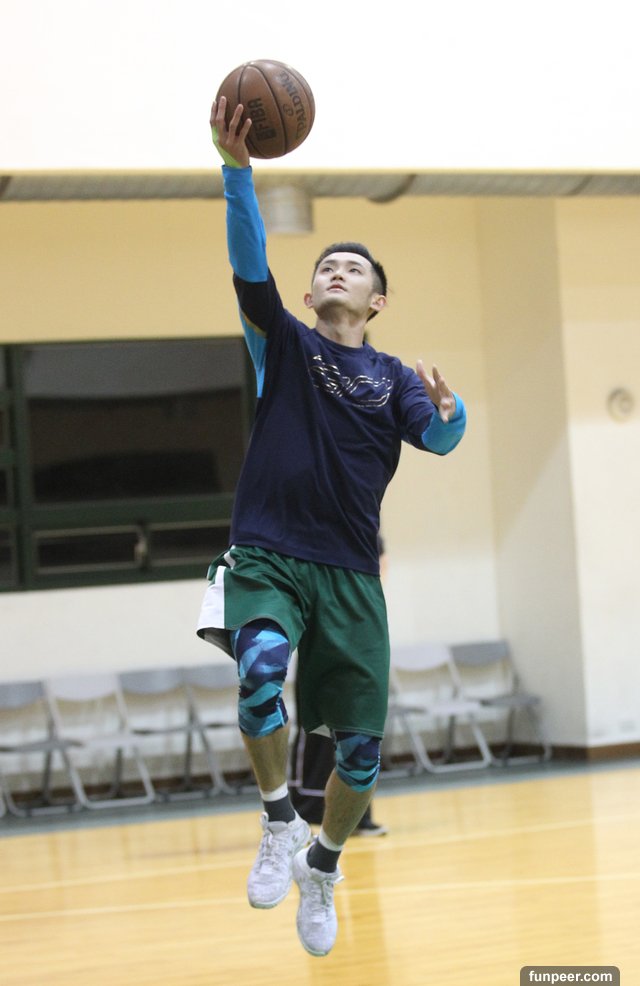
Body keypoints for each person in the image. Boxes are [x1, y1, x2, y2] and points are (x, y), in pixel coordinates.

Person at [197, 97, 467, 958]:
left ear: (378, 299)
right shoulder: (281, 343)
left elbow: (439, 440)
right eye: (326, 266)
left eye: (355, 267)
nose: (338, 272)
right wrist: (237, 171)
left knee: (359, 753)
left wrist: (453, 416)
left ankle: (323, 863)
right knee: (260, 673)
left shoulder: (394, 377)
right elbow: (248, 260)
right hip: (270, 552)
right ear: (310, 292)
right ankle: (277, 817)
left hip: (350, 569)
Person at [289, 534, 389, 837]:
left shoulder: (364, 532)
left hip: (356, 631)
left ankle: (356, 815)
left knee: (358, 727)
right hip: (320, 635)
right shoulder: (308, 533)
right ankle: (306, 807)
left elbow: (380, 567)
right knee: (316, 728)